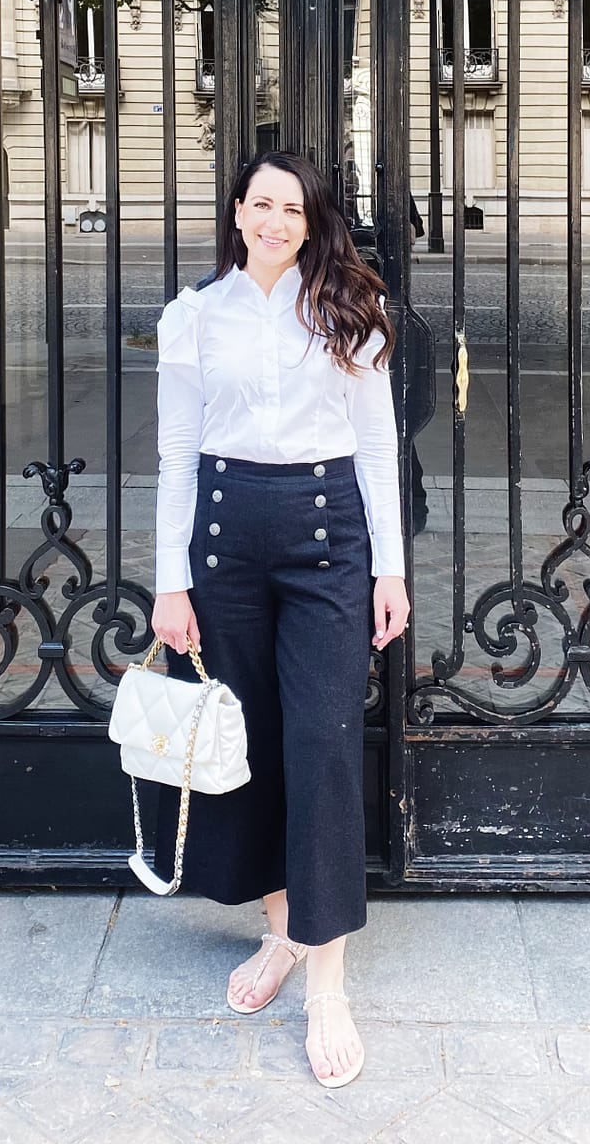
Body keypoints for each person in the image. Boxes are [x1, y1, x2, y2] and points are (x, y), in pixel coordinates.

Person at [149, 151, 411, 1089]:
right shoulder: (195, 318)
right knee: (247, 747)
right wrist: (168, 580)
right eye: (261, 203)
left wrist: (389, 567)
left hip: (327, 538)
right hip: (224, 545)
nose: (274, 220)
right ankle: (279, 933)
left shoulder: (346, 313)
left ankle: (327, 981)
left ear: (310, 222)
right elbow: (178, 452)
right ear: (237, 213)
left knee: (326, 746)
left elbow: (377, 450)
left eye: (291, 208)